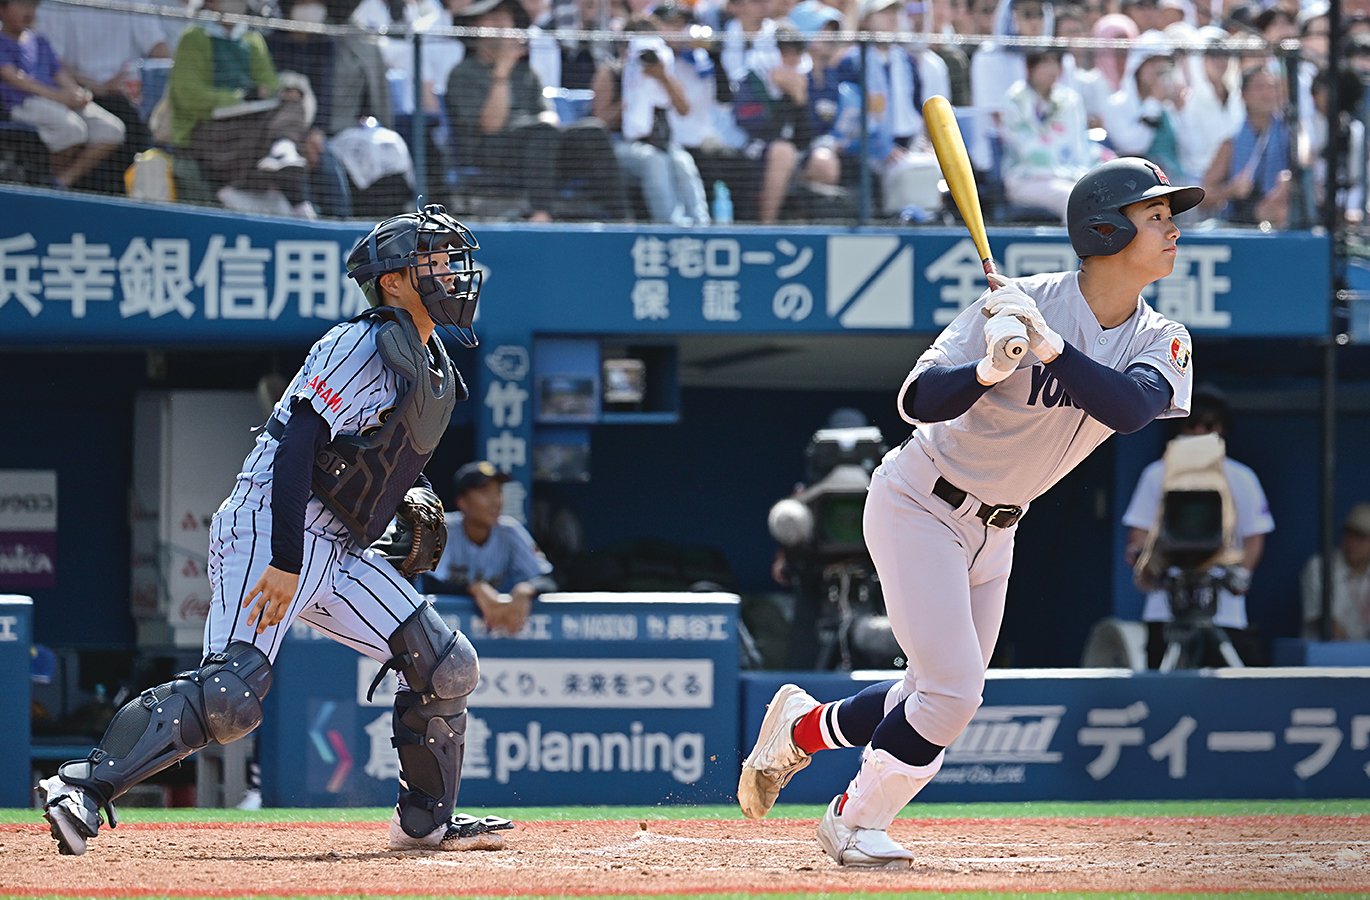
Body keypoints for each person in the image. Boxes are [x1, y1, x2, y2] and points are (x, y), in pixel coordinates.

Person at [737, 156, 1201, 867]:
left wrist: (1048, 348)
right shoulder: (1022, 299)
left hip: (999, 529)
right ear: (1106, 228)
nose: (1173, 229)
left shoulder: (1160, 337)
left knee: (926, 689)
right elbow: (919, 400)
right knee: (953, 694)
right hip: (921, 500)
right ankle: (852, 820)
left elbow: (1132, 409)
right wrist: (988, 370)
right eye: (1156, 216)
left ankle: (802, 731)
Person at [35, 203, 514, 857]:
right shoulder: (359, 341)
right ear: (395, 279)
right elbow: (295, 453)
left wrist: (413, 498)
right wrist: (286, 561)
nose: (452, 273)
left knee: (447, 667)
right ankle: (81, 788)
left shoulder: (432, 363)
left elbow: (371, 457)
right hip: (270, 527)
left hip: (340, 546)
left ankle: (425, 822)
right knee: (232, 696)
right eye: (433, 259)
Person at [1120, 385, 1274, 668]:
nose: (1200, 432)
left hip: (1223, 605)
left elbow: (1254, 536)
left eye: (1210, 425)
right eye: (1192, 424)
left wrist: (1241, 574)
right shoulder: (1156, 475)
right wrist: (1145, 561)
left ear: (1222, 430)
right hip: (1167, 606)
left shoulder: (1242, 477)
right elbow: (1139, 532)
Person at [0, 0, 128, 189]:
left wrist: (75, 93)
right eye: (22, 5)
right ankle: (37, 184)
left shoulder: (39, 40)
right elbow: (17, 80)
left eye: (33, 6)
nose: (29, 11)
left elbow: (59, 72)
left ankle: (60, 182)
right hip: (22, 104)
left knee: (112, 129)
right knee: (73, 130)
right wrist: (59, 97)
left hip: (58, 101)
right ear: (2, 9)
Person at [422, 460, 558, 635]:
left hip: (496, 627)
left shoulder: (510, 531)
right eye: (485, 492)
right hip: (440, 628)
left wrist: (527, 589)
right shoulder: (441, 528)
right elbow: (428, 581)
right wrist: (474, 588)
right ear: (462, 502)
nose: (496, 501)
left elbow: (549, 577)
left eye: (498, 492)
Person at [1302, 503, 1370, 642]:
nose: (1353, 543)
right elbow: (1326, 623)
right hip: (1325, 657)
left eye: (1361, 538)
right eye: (1349, 535)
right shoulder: (1320, 567)